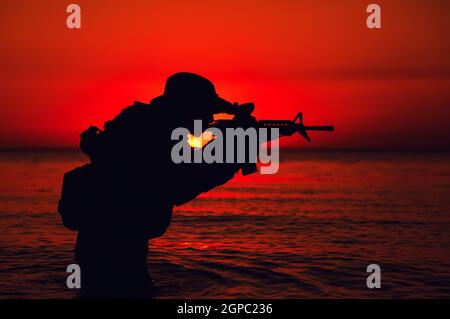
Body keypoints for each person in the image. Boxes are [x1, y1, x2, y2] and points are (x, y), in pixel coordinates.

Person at [58, 72, 252, 298]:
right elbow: (184, 181)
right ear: (188, 108)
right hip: (117, 238)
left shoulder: (141, 122)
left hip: (102, 236)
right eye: (205, 110)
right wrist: (237, 149)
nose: (209, 117)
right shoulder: (157, 131)